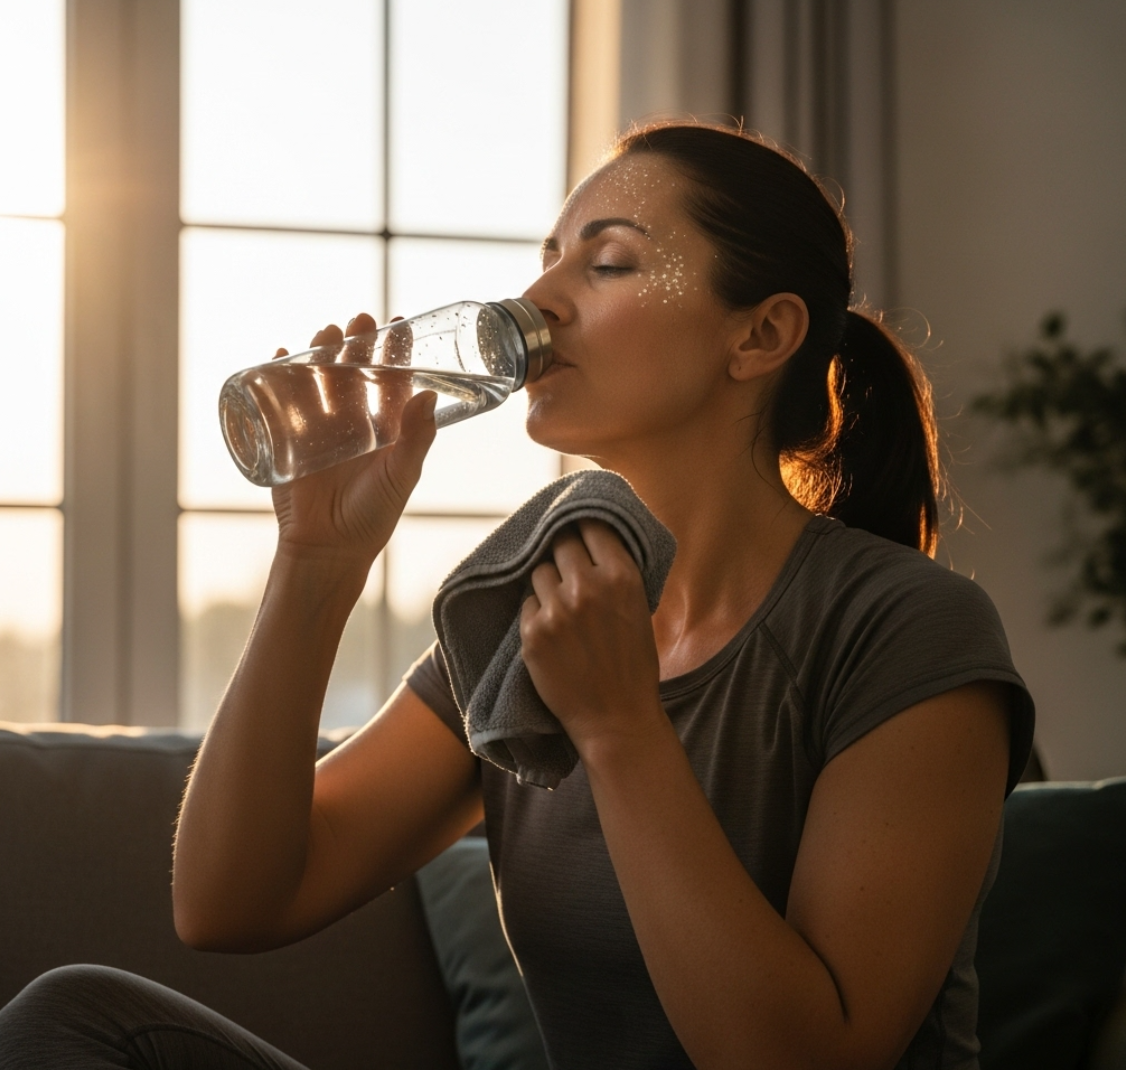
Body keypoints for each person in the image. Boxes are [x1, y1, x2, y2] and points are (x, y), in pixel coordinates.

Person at [0, 122, 1033, 1069]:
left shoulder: (902, 627)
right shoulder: (528, 587)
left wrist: (622, 728)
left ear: (759, 336)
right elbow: (231, 898)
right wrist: (317, 564)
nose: (537, 300)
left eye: (609, 261)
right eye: (546, 258)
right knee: (75, 1017)